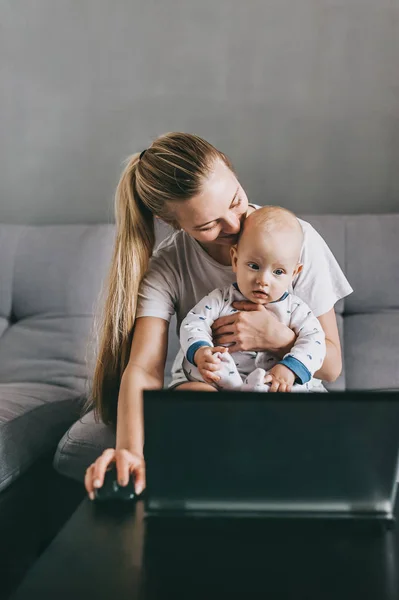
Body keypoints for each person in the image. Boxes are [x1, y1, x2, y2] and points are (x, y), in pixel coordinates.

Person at [84, 132, 353, 500]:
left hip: (283, 388)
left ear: (233, 170)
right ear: (174, 224)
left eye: (236, 200)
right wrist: (129, 451)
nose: (234, 224)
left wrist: (278, 339)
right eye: (209, 225)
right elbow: (144, 367)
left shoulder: (295, 240)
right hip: (216, 392)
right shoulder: (170, 264)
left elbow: (332, 366)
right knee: (189, 401)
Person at [180, 205, 327, 393]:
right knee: (210, 376)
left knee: (295, 389)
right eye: (254, 266)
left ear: (294, 273)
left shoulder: (297, 309)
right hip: (224, 383)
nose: (263, 280)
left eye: (278, 272)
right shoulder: (220, 299)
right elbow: (192, 324)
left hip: (273, 383)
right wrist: (202, 351)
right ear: (235, 260)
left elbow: (315, 342)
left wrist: (290, 367)